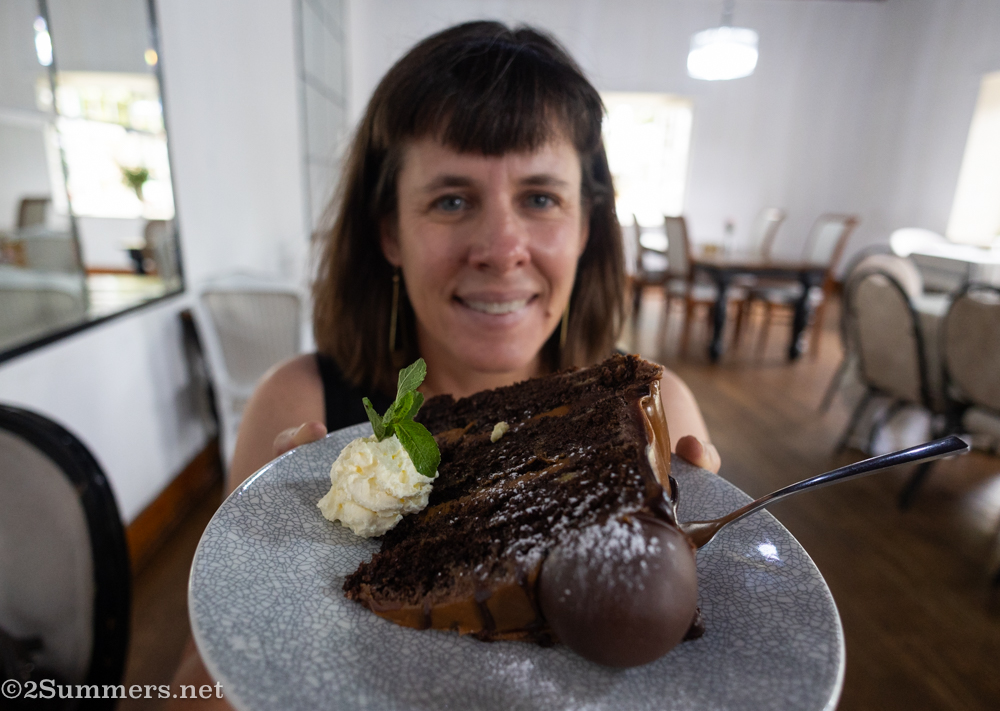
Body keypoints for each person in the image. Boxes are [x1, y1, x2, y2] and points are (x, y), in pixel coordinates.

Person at [168, 21, 719, 708]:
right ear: (390, 233)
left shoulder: (662, 405)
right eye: (452, 200)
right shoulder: (300, 402)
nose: (500, 246)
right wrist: (266, 594)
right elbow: (190, 689)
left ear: (584, 227)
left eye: (541, 197)